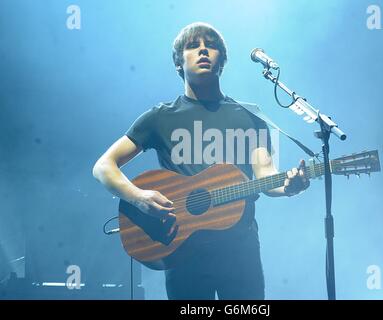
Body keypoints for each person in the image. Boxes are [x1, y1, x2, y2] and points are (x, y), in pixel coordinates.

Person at [93, 22, 310, 300]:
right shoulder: (160, 117)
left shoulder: (251, 117)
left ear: (222, 62)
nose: (203, 50)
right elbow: (103, 166)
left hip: (239, 248)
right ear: (178, 64)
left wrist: (289, 187)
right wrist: (138, 197)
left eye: (212, 45)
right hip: (182, 248)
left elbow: (267, 176)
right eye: (193, 46)